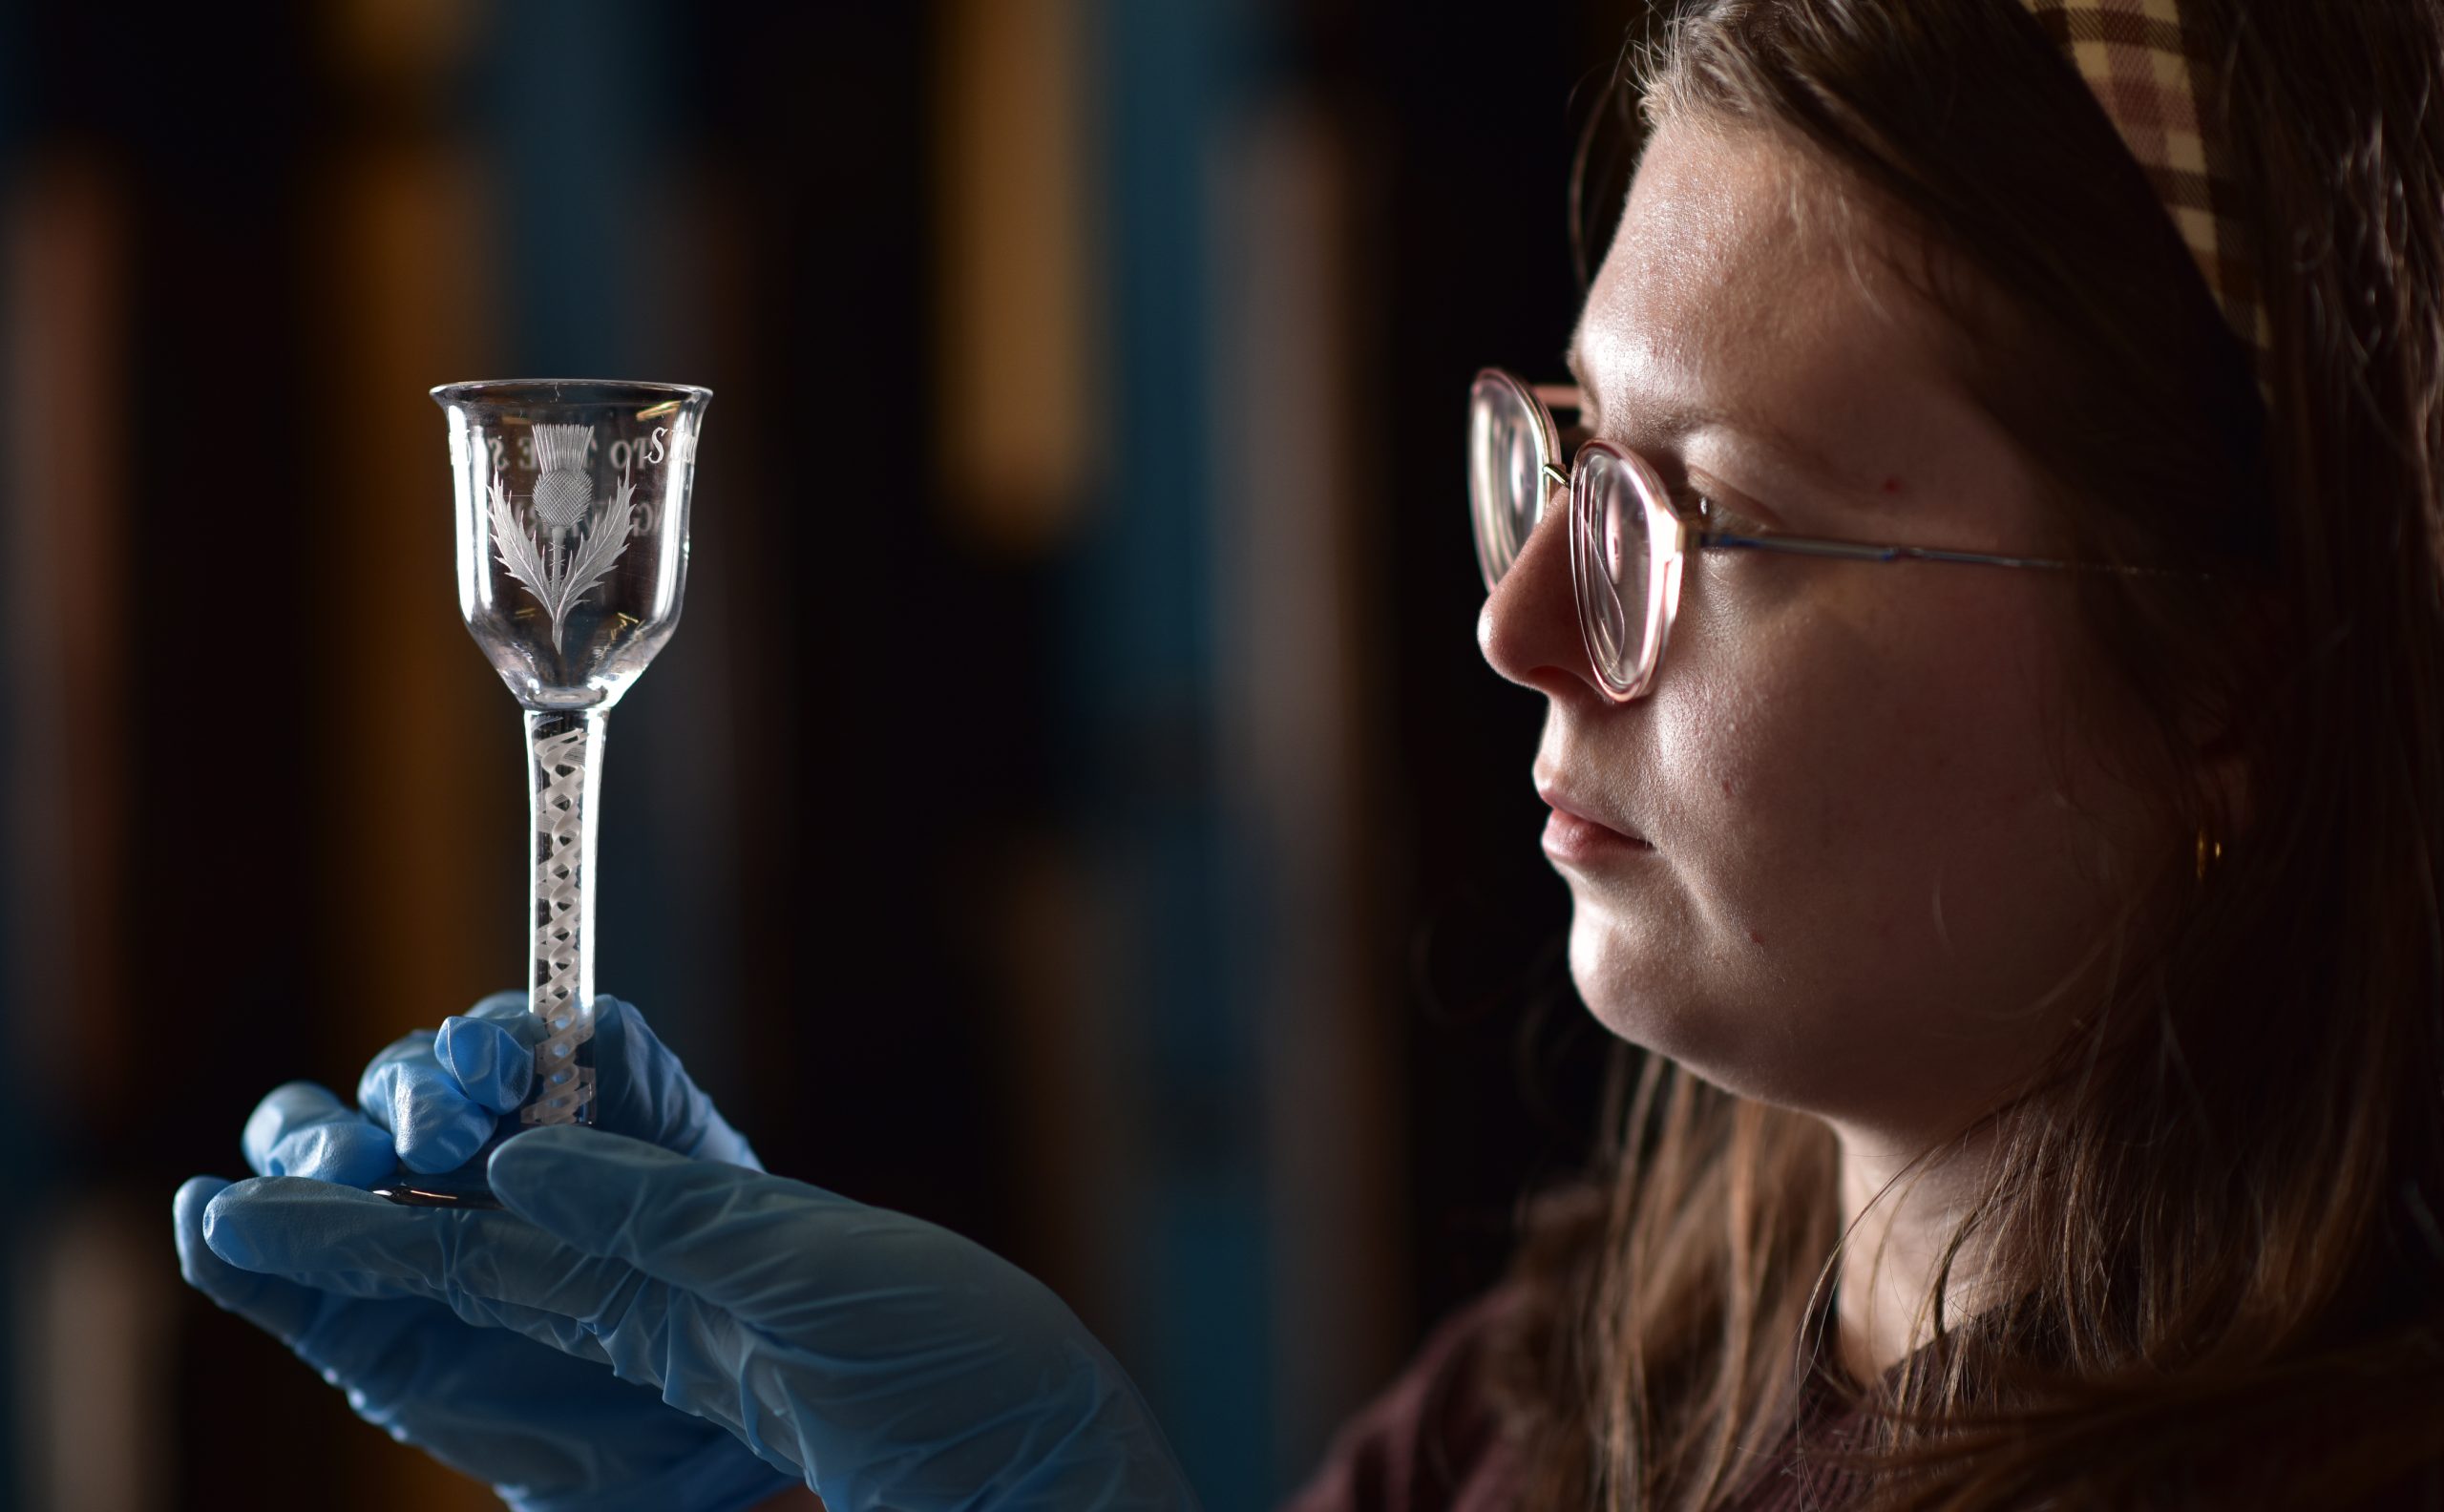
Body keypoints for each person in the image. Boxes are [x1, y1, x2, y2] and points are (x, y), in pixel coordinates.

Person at [175, 0, 2444, 1508]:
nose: (1520, 620)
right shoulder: (1548, 1406)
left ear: (2225, 672)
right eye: (1566, 462)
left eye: (1700, 516)